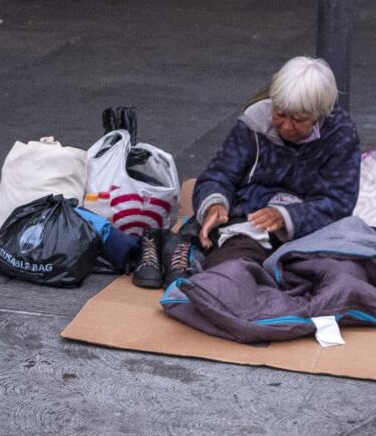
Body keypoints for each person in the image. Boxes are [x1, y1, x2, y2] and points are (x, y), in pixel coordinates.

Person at [132, 57, 361, 289]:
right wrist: (215, 204)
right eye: (280, 114)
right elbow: (219, 173)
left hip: (308, 231)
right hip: (250, 221)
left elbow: (339, 202)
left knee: (338, 278)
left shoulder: (340, 135)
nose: (286, 126)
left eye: (298, 119)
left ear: (318, 115)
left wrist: (286, 216)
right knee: (233, 273)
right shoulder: (255, 122)